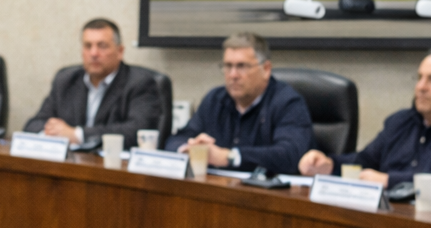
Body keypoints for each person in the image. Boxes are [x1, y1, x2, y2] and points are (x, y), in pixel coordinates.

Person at [298, 49, 431, 196]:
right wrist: (329, 165)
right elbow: (364, 162)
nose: (421, 87)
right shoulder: (400, 122)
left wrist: (389, 181)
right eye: (419, 78)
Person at [166, 32, 313, 173]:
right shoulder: (215, 99)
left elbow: (289, 155)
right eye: (228, 66)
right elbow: (177, 139)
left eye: (242, 66)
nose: (233, 75)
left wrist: (229, 157)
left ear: (266, 69)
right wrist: (188, 149)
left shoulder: (287, 102)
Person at [24, 18, 164, 146]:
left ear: (120, 51)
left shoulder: (140, 82)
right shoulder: (66, 80)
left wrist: (78, 135)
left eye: (102, 46)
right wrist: (53, 132)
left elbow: (137, 131)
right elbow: (33, 125)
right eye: (88, 46)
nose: (94, 53)